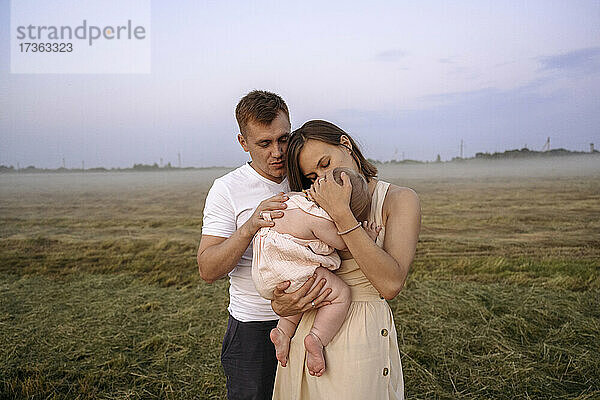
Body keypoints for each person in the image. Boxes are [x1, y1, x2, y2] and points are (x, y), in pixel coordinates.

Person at [272, 120, 421, 400]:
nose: (324, 181)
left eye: (326, 164)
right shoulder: (311, 207)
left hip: (361, 340)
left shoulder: (399, 199)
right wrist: (280, 304)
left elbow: (390, 284)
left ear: (346, 144)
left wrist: (342, 214)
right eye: (313, 177)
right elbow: (290, 265)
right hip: (310, 334)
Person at [197, 91, 332, 400]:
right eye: (264, 143)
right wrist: (250, 226)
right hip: (254, 329)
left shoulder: (307, 175)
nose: (278, 152)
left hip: (314, 322)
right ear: (244, 143)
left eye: (284, 139)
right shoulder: (226, 190)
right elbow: (207, 269)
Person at [251, 167, 381, 377]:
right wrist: (365, 236)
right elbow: (345, 243)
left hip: (265, 272)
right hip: (289, 270)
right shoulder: (318, 218)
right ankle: (317, 339)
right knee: (339, 294)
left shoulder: (292, 199)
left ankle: (283, 333)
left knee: (298, 298)